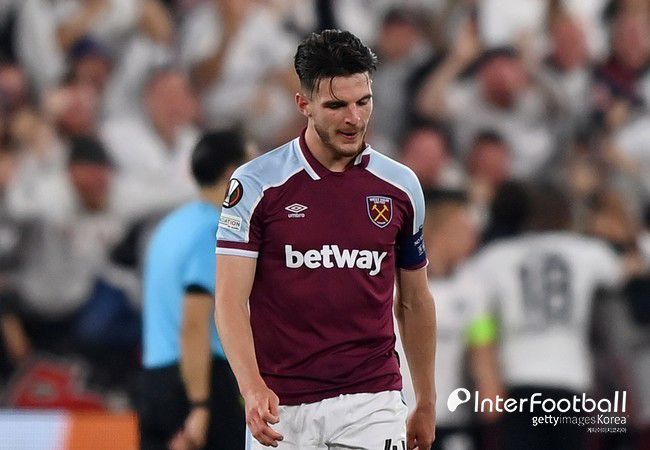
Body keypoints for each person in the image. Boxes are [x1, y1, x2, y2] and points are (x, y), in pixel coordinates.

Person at [215, 29, 437, 450]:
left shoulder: (401, 186)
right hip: (281, 405)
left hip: (372, 400)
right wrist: (252, 387)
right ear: (304, 104)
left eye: (363, 102)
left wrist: (426, 399)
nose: (354, 118)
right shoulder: (257, 185)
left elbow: (415, 301)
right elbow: (229, 300)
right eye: (336, 106)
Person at [471, 184, 626, 450]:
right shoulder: (589, 252)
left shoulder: (495, 257)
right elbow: (623, 270)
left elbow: (478, 319)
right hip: (569, 379)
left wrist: (487, 371)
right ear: (567, 214)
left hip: (517, 379)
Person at [140, 130, 248, 450]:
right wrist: (199, 405)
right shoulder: (214, 230)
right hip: (198, 379)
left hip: (156, 378)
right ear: (233, 172)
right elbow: (195, 322)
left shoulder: (171, 226)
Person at [396, 190, 502, 450]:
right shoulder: (394, 284)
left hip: (451, 418)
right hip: (399, 416)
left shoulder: (474, 289)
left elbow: (482, 343)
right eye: (466, 232)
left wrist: (490, 387)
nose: (474, 240)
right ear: (441, 233)